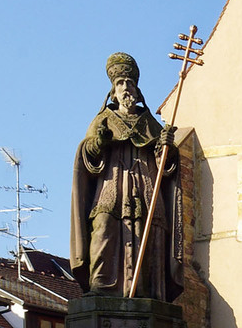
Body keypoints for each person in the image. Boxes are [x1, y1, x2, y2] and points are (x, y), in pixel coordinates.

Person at [69, 52, 184, 299]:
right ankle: (101, 288)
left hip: (145, 190)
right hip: (111, 190)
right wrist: (98, 142)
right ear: (113, 91)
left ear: (137, 89)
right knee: (103, 228)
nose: (125, 88)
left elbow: (166, 165)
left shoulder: (150, 124)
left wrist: (166, 148)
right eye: (120, 83)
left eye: (129, 83)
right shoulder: (103, 119)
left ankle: (147, 292)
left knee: (148, 234)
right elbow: (87, 155)